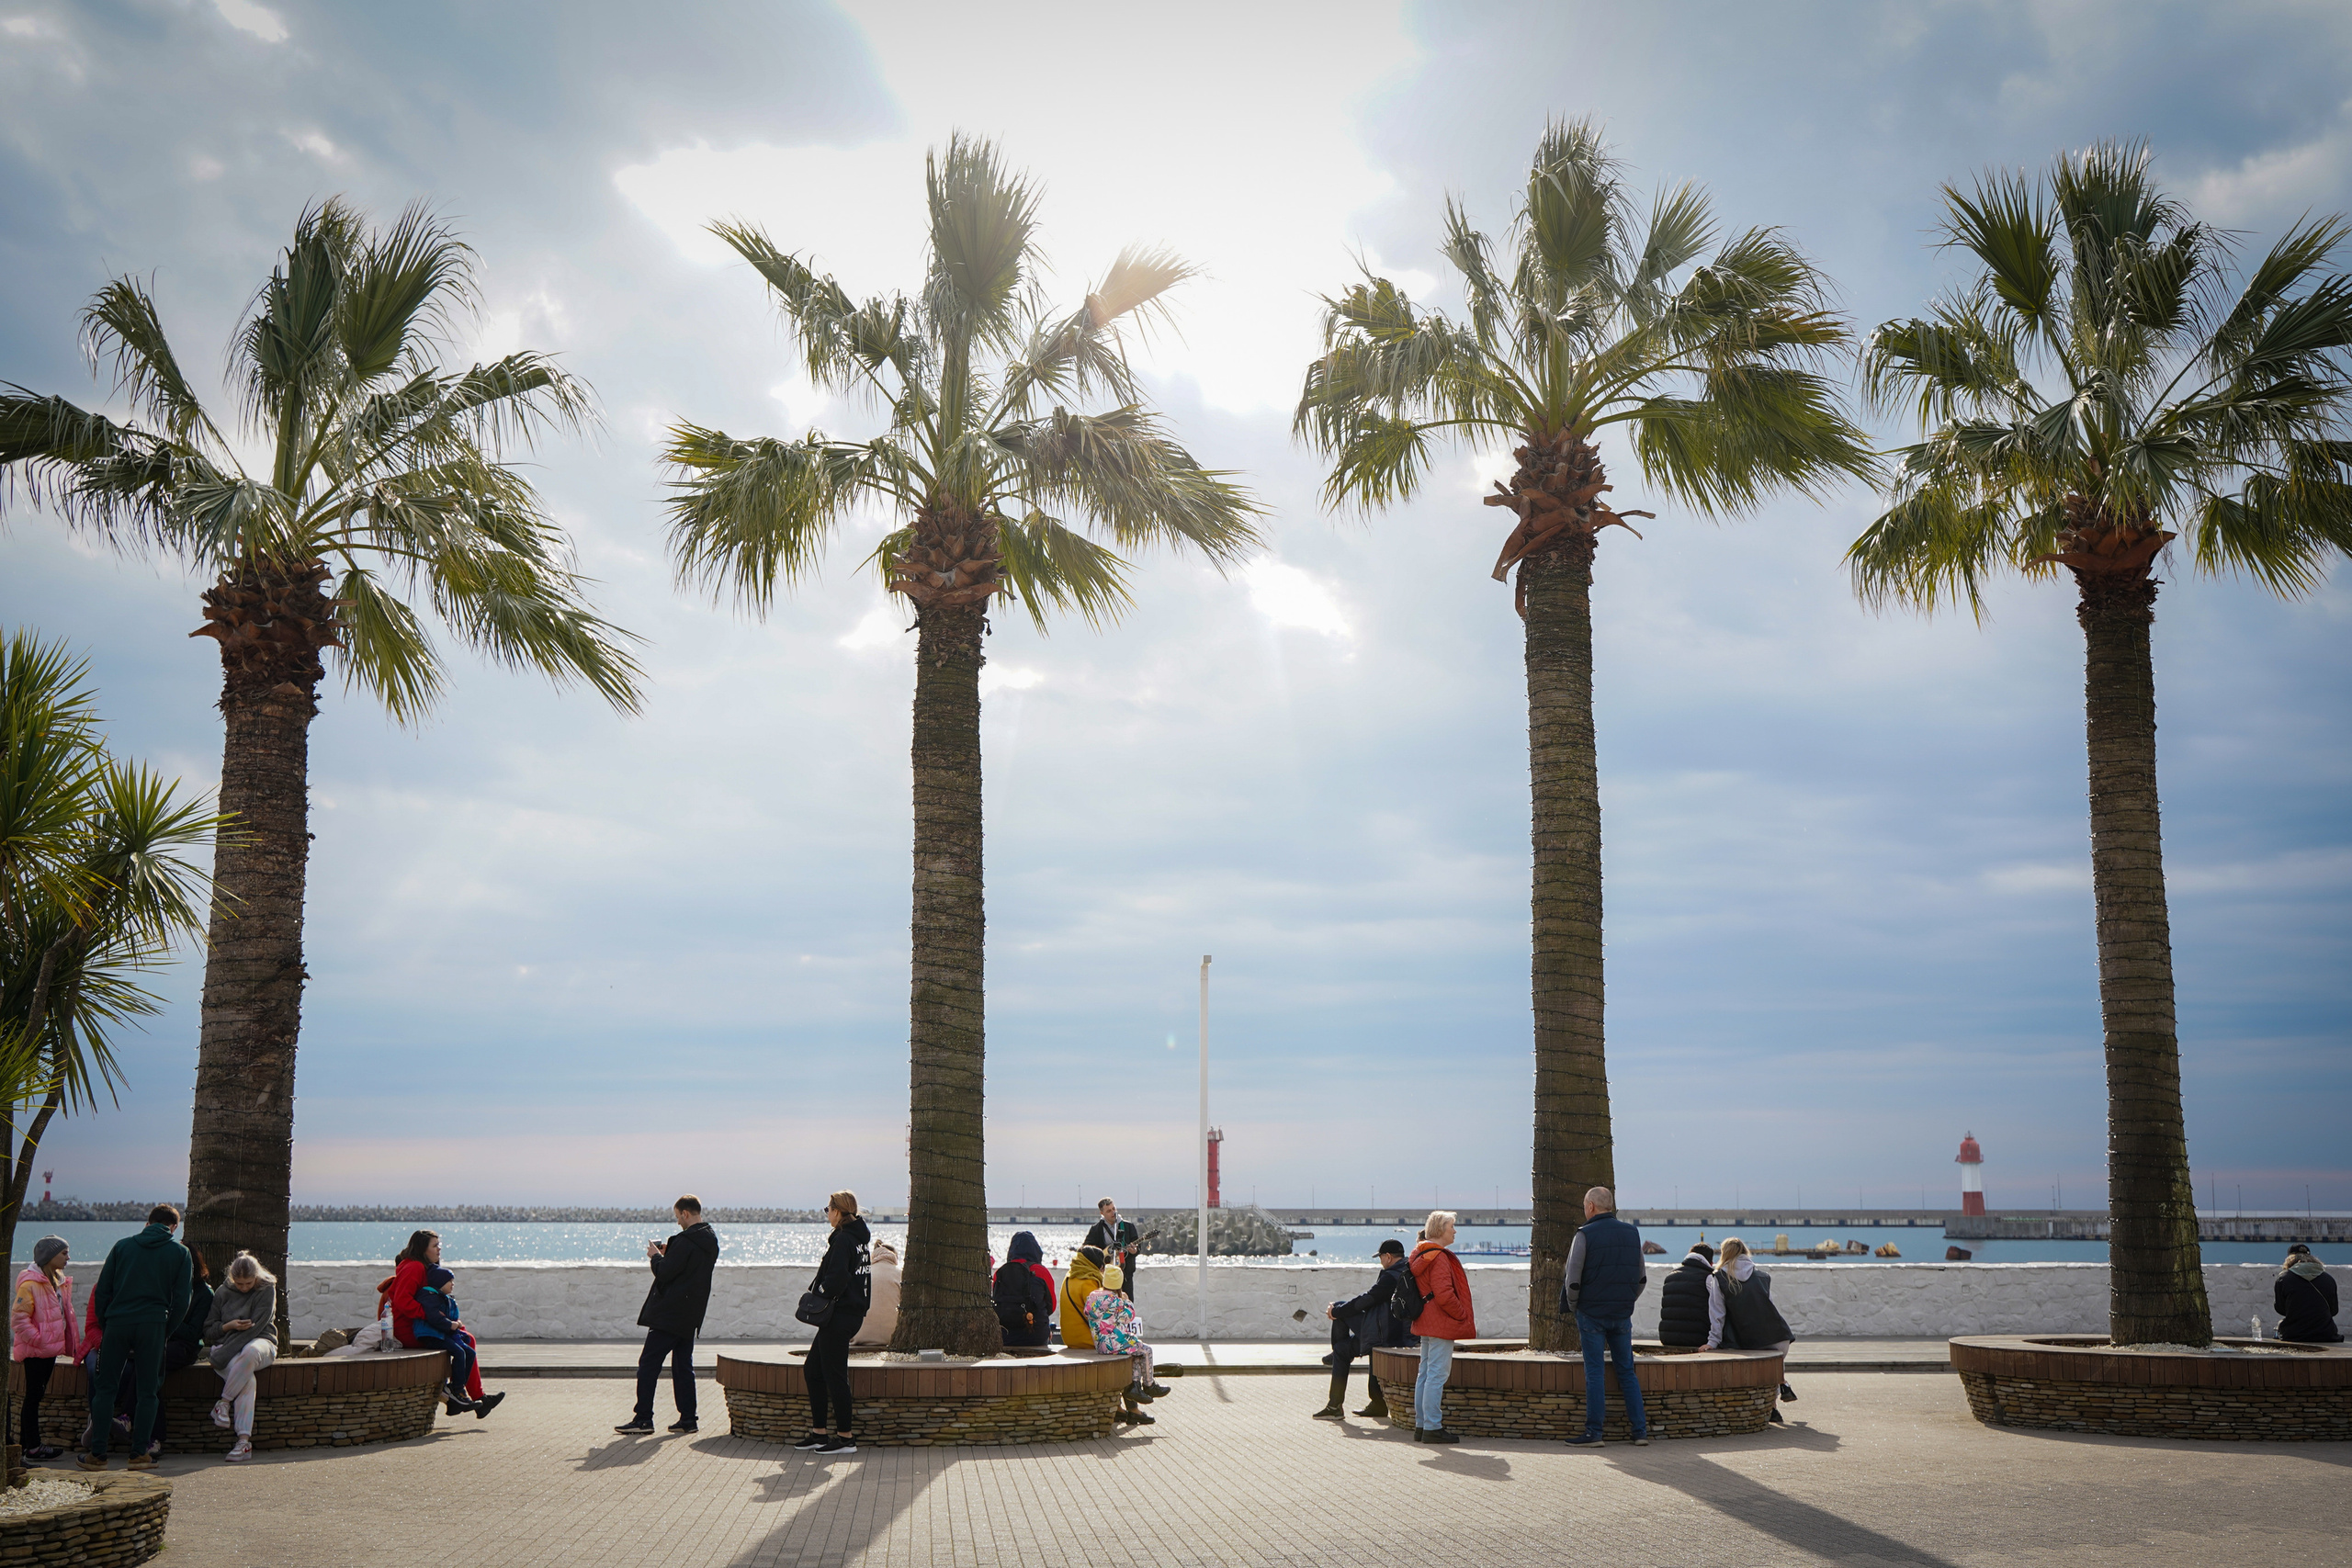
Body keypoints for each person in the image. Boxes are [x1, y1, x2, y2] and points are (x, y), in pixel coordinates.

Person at [80, 1204, 191, 1472]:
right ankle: (139, 1454)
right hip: (153, 1325)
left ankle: (97, 1455)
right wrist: (166, 1329)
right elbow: (182, 1301)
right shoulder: (180, 1252)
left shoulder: (122, 1247)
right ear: (174, 1227)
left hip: (117, 1323)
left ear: (147, 1222)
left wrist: (108, 1323)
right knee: (147, 1391)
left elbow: (104, 1290)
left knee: (105, 1388)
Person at [617, 1196, 720, 1435]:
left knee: (648, 1364)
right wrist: (670, 1253)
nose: (677, 1223)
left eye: (677, 1217)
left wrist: (656, 1256)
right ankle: (688, 1419)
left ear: (685, 1214)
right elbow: (684, 1269)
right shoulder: (710, 1239)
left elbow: (664, 1273)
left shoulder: (685, 1241)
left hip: (670, 1314)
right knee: (683, 1366)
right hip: (691, 1313)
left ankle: (643, 1418)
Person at [1561, 1186, 1649, 1448]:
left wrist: (1576, 1307)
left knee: (1595, 1372)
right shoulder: (1632, 1233)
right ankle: (1640, 1432)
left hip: (1591, 1313)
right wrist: (1627, 1300)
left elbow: (1572, 1278)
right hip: (1622, 1314)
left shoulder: (1584, 1234)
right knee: (1627, 1372)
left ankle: (1594, 1433)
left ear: (1590, 1206)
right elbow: (1642, 1278)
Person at [384, 1231, 505, 1418]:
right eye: (435, 1246)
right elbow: (402, 1300)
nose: (439, 1249)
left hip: (420, 1324)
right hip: (408, 1330)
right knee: (466, 1342)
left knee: (466, 1338)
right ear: (422, 1249)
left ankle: (472, 1397)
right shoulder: (414, 1267)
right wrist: (434, 1317)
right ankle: (462, 1395)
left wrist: (446, 1321)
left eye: (439, 1245)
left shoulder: (421, 1266)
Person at [794, 1190, 869, 1456]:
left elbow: (837, 1278)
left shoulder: (844, 1241)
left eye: (828, 1209)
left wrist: (820, 1296)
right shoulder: (859, 1241)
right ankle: (819, 1433)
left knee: (835, 1376)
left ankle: (846, 1438)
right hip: (849, 1314)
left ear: (837, 1211)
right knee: (813, 1370)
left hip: (840, 1316)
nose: (827, 1214)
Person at [1316, 1239, 1412, 1421]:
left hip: (1385, 1333)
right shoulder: (1405, 1270)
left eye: (1381, 1257)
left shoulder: (1390, 1277)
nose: (1381, 1261)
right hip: (1392, 1330)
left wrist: (1336, 1311)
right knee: (1342, 1350)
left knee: (1339, 1308)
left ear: (1388, 1257)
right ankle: (1372, 1404)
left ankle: (1335, 1406)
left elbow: (1367, 1299)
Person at [1710, 1236, 1797, 1423]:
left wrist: (1712, 1342)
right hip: (1780, 1335)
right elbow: (1770, 1306)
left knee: (1761, 1372)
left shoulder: (1720, 1278)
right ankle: (1782, 1389)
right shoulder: (1762, 1276)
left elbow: (1718, 1315)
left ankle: (1772, 1408)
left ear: (1724, 1254)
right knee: (1772, 1369)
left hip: (1755, 1339)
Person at [201, 1252, 278, 1463]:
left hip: (261, 1343)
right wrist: (229, 1326)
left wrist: (222, 1355)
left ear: (256, 1277)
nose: (244, 1288)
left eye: (248, 1283)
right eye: (239, 1283)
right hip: (228, 1349)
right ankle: (244, 1442)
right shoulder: (223, 1292)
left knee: (251, 1352)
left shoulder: (266, 1289)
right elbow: (209, 1330)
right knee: (248, 1380)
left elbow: (256, 1329)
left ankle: (224, 1403)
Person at [1408, 1211, 1475, 1445]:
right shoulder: (1439, 1257)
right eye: (1451, 1227)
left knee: (1425, 1373)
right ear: (1439, 1230)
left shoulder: (1422, 1254)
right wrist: (1461, 1314)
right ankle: (1433, 1427)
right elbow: (1445, 1294)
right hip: (1441, 1322)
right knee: (1436, 1375)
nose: (1454, 1231)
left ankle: (1421, 1425)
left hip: (1425, 1319)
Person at [12, 1235, 78, 1461]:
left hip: (48, 1351)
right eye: (63, 1253)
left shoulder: (56, 1281)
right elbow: (19, 1320)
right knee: (33, 1397)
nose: (68, 1258)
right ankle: (31, 1447)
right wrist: (40, 1340)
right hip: (36, 1352)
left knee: (36, 1396)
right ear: (49, 1256)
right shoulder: (31, 1284)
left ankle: (26, 1447)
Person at [1081, 1262, 1170, 1424]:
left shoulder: (1092, 1298)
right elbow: (1129, 1316)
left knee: (1135, 1355)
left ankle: (1134, 1387)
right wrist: (1127, 1301)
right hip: (1115, 1342)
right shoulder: (1117, 1302)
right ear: (1118, 1284)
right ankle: (1149, 1385)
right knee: (1146, 1351)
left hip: (1101, 1345)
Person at [992, 1232, 1054, 1348]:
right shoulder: (1041, 1272)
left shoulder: (1000, 1273)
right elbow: (1052, 1306)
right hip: (1036, 1335)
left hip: (1005, 1336)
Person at [1657, 1242, 1718, 1350]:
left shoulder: (1670, 1276)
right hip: (1699, 1340)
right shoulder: (1708, 1278)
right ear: (1711, 1263)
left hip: (1668, 1338)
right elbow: (1718, 1308)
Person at [2276, 1245, 2341, 1343]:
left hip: (2294, 1334)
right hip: (2327, 1334)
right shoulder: (2328, 1279)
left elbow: (2280, 1309)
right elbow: (2334, 1310)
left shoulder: (2283, 1278)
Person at [1084, 1198, 1140, 1302]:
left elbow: (1138, 1247)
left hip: (1125, 1275)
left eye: (1114, 1208)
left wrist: (1134, 1251)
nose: (1113, 1212)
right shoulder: (1096, 1229)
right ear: (1102, 1213)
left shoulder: (1128, 1226)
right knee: (1106, 1306)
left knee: (1127, 1304)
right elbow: (1086, 1249)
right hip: (1105, 1276)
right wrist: (1100, 1260)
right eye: (1109, 1211)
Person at [852, 1241, 901, 1351]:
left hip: (860, 1336)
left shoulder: (863, 1274)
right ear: (894, 1257)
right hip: (891, 1337)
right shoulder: (900, 1274)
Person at [1059, 1246, 1105, 1349]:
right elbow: (1097, 1314)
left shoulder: (1068, 1278)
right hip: (1086, 1339)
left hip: (1069, 1338)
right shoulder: (1088, 1281)